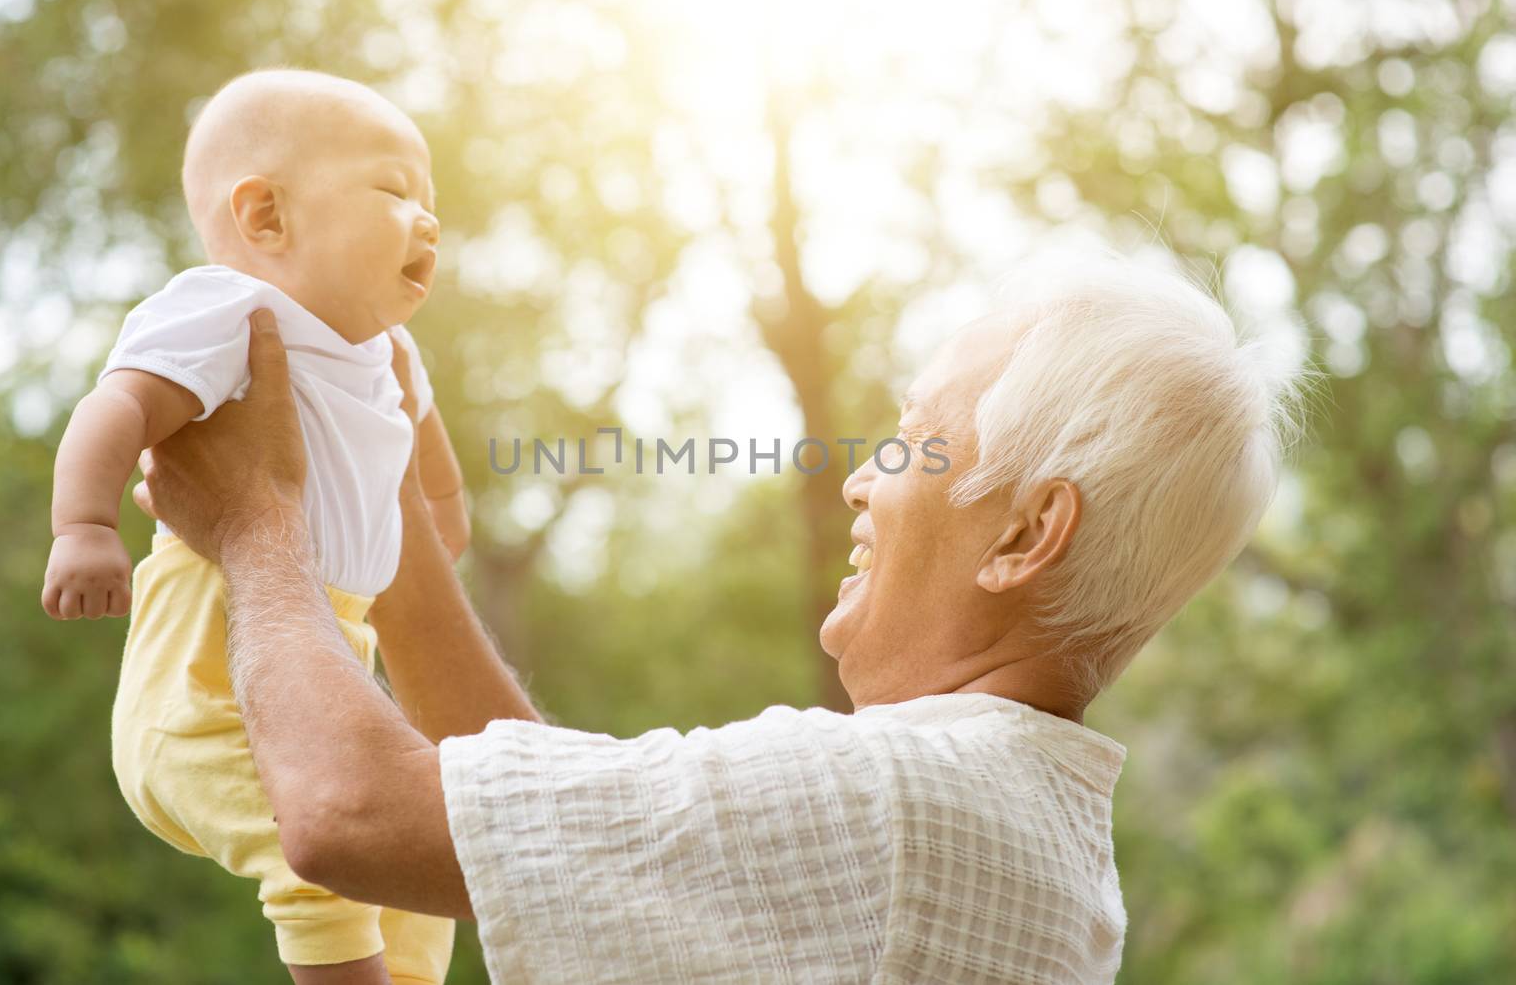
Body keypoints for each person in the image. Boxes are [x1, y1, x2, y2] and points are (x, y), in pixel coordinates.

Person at [134, 262, 1305, 984]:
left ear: (1024, 534)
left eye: (914, 439)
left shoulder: (904, 803)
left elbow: (350, 814)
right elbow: (517, 819)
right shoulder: (1002, 813)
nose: (860, 480)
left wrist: (260, 527)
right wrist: (374, 497)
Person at [41, 70, 464, 984]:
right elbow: (114, 409)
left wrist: (440, 528)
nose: (427, 221)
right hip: (204, 675)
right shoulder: (227, 310)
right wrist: (82, 525)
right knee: (328, 852)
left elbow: (434, 481)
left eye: (431, 205)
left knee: (432, 848)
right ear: (266, 217)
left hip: (331, 651)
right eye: (394, 191)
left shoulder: (395, 353)